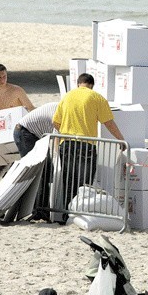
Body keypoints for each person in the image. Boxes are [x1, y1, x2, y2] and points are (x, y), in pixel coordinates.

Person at [52, 73, 125, 210]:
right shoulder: (97, 98)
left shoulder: (67, 96)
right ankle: (81, 213)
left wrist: (68, 130)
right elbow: (108, 123)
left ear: (78, 84)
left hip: (67, 144)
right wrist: (121, 140)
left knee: (68, 182)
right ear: (91, 85)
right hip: (87, 145)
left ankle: (67, 213)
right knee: (85, 185)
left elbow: (55, 122)